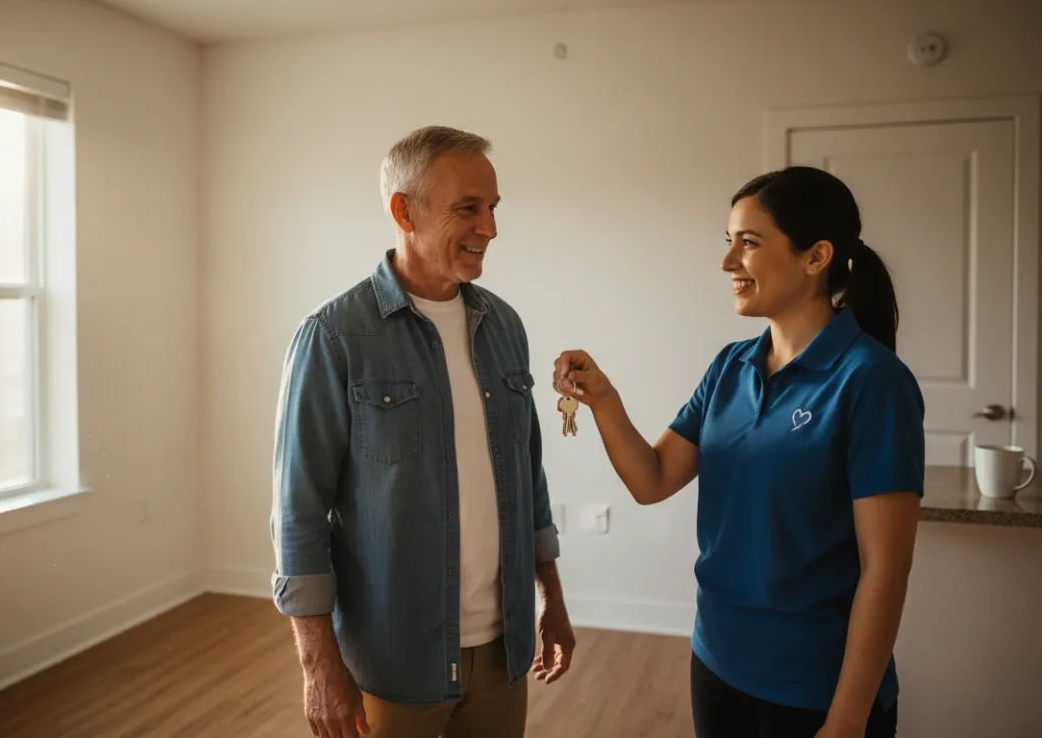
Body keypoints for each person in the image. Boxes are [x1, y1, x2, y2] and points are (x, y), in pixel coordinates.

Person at [553, 166, 923, 738]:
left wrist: (848, 719)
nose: (728, 263)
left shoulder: (872, 382)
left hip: (815, 690)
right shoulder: (731, 366)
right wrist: (603, 399)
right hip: (717, 664)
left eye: (748, 243)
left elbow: (886, 568)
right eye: (728, 242)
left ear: (816, 256)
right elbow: (651, 480)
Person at [271, 125, 575, 738]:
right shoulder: (333, 337)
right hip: (391, 658)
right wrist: (316, 663)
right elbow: (298, 511)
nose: (490, 227)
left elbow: (527, 475)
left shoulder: (504, 325)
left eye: (492, 208)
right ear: (402, 210)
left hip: (503, 652)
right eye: (468, 208)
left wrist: (552, 599)